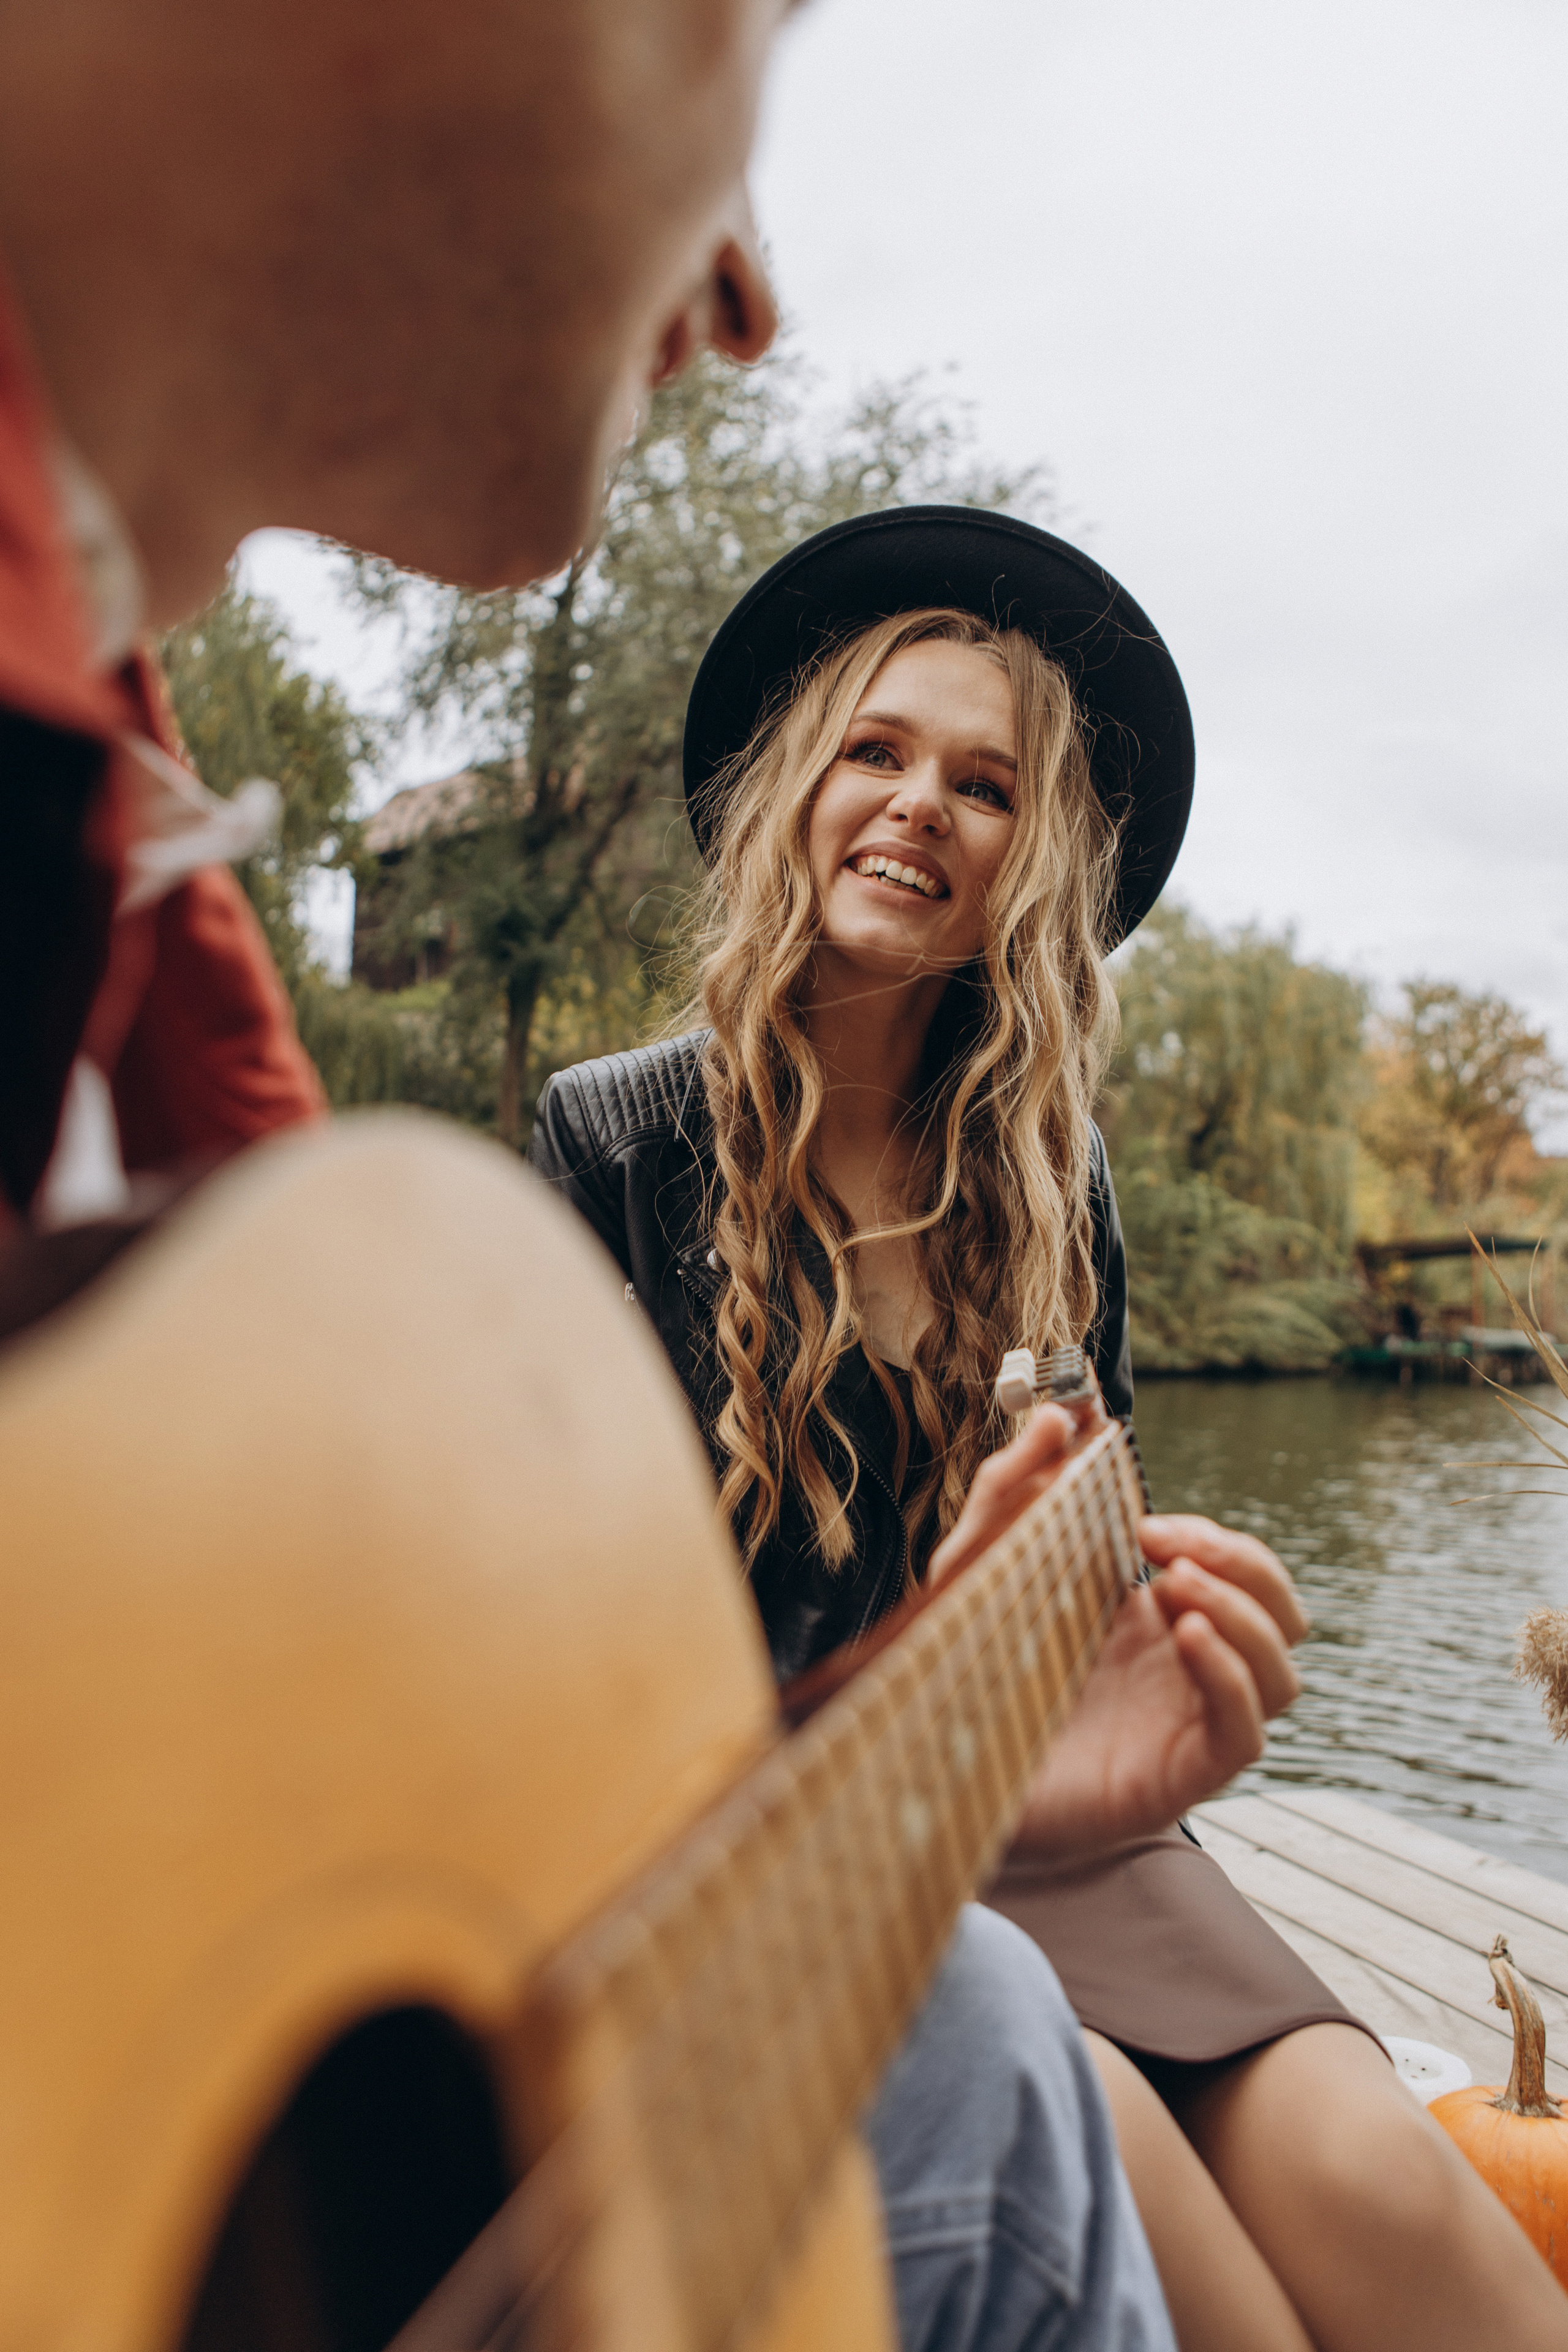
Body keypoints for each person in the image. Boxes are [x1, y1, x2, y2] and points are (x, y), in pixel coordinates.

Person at [0, 8, 1176, 2346]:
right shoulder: (597, 1141)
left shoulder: (123, 863)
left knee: (1029, 2053)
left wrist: (958, 1767)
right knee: (1012, 2068)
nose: (745, 291)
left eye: (991, 792)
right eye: (734, 24)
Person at [530, 504, 1568, 2351]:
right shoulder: (609, 1143)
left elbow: (1089, 1574)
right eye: (878, 751)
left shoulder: (1051, 1176)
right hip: (777, 1866)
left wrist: (1145, 1636)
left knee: (1379, 2172)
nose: (922, 805)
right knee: (1133, 2176)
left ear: (1036, 863)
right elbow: (547, 1679)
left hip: (1053, 1825)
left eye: (987, 785)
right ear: (797, 793)